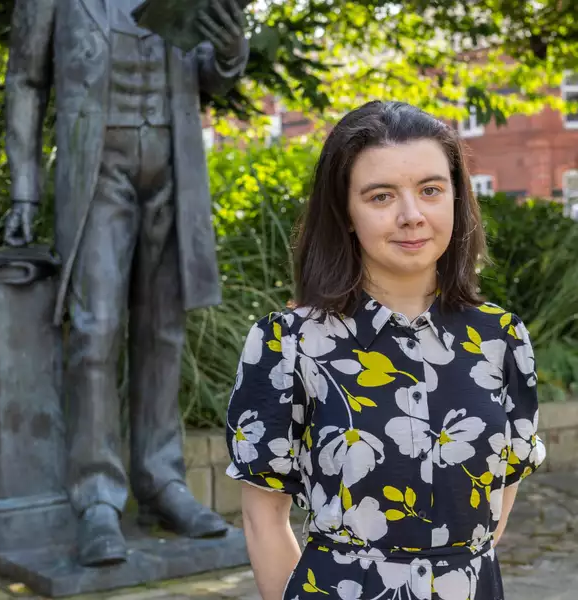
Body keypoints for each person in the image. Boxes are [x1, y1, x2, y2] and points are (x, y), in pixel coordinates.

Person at [224, 101, 546, 600]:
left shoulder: (502, 339)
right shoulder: (287, 344)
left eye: (431, 190)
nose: (411, 215)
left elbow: (496, 503)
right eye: (381, 196)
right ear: (346, 213)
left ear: (457, 199)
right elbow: (263, 518)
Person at [4, 0, 248, 566]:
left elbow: (208, 72)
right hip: (96, 172)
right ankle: (96, 500)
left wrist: (233, 51)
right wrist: (25, 189)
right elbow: (25, 79)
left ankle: (162, 484)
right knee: (95, 331)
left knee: (164, 330)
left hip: (173, 167)